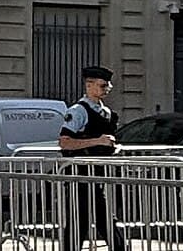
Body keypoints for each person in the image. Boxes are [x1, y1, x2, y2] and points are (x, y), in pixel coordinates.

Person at [59, 64, 120, 251]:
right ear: (89, 85)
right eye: (103, 86)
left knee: (103, 219)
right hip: (79, 174)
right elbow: (65, 142)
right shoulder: (78, 111)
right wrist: (97, 141)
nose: (107, 89)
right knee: (80, 220)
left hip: (98, 172)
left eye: (108, 85)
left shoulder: (107, 113)